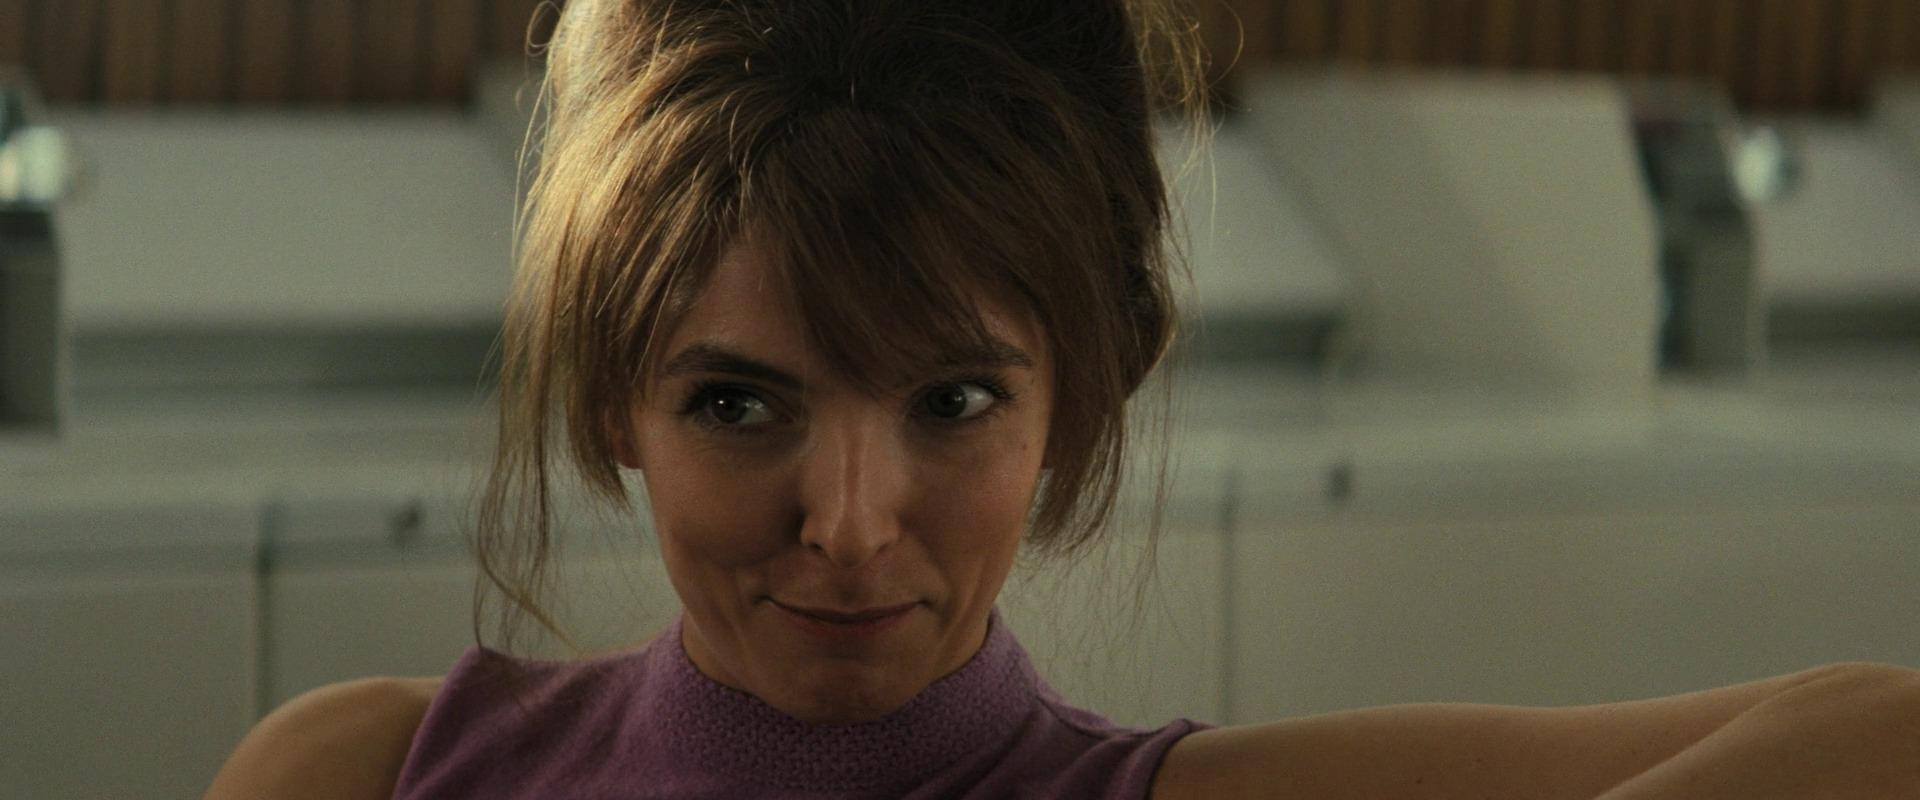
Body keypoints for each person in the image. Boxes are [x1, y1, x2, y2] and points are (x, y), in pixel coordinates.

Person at [206, 1, 1920, 797]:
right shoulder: (368, 773)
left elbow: (1877, 728)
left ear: (1085, 403)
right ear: (607, 397)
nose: (849, 523)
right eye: (739, 406)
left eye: (951, 401)